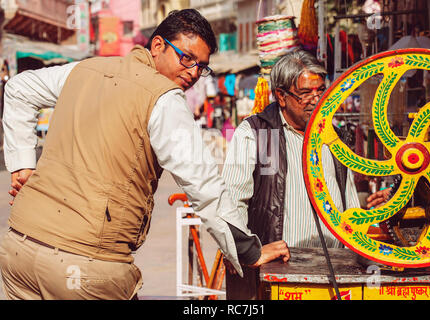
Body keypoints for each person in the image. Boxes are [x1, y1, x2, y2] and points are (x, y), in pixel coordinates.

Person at [0, 9, 289, 300]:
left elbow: (19, 88)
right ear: (158, 46)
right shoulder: (164, 99)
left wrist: (23, 164)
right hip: (84, 266)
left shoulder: (87, 69)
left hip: (19, 252)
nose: (192, 73)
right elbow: (205, 186)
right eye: (186, 58)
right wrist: (247, 251)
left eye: (201, 67)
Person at [221, 50, 360, 299]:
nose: (316, 99)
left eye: (321, 91)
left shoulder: (336, 137)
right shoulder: (257, 134)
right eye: (306, 93)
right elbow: (232, 200)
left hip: (332, 270)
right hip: (277, 272)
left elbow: (349, 202)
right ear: (281, 97)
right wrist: (243, 250)